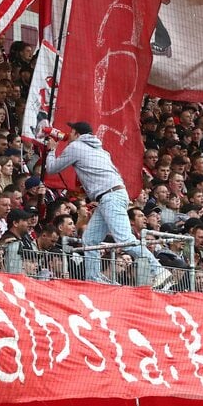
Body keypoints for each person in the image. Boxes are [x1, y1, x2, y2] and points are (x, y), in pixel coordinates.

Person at [45, 121, 171, 289]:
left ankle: (159, 270)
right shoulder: (101, 150)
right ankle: (93, 279)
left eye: (71, 132)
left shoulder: (76, 146)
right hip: (111, 195)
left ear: (76, 133)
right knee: (90, 240)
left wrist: (52, 149)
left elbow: (52, 169)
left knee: (125, 239)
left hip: (110, 196)